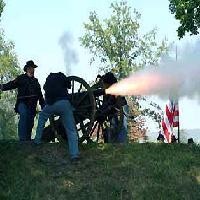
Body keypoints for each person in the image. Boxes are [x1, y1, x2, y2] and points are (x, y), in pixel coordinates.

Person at [34, 72, 80, 161]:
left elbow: (44, 88)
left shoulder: (49, 78)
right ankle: (74, 155)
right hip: (64, 104)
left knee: (42, 117)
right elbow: (69, 86)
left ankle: (37, 141)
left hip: (50, 104)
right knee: (71, 130)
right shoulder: (62, 76)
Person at [0, 60, 45, 141]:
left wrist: (43, 106)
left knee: (30, 122)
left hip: (32, 105)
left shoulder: (36, 81)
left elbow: (40, 95)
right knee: (23, 115)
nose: (33, 70)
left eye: (33, 68)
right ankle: (22, 140)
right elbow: (11, 84)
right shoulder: (20, 78)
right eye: (31, 68)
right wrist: (2, 87)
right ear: (27, 69)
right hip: (22, 103)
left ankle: (27, 141)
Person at [98, 72, 128, 143]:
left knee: (122, 128)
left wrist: (110, 108)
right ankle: (114, 143)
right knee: (113, 127)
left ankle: (121, 144)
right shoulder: (107, 91)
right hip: (112, 111)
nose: (103, 85)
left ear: (108, 83)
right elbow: (105, 103)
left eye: (104, 83)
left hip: (121, 108)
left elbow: (119, 102)